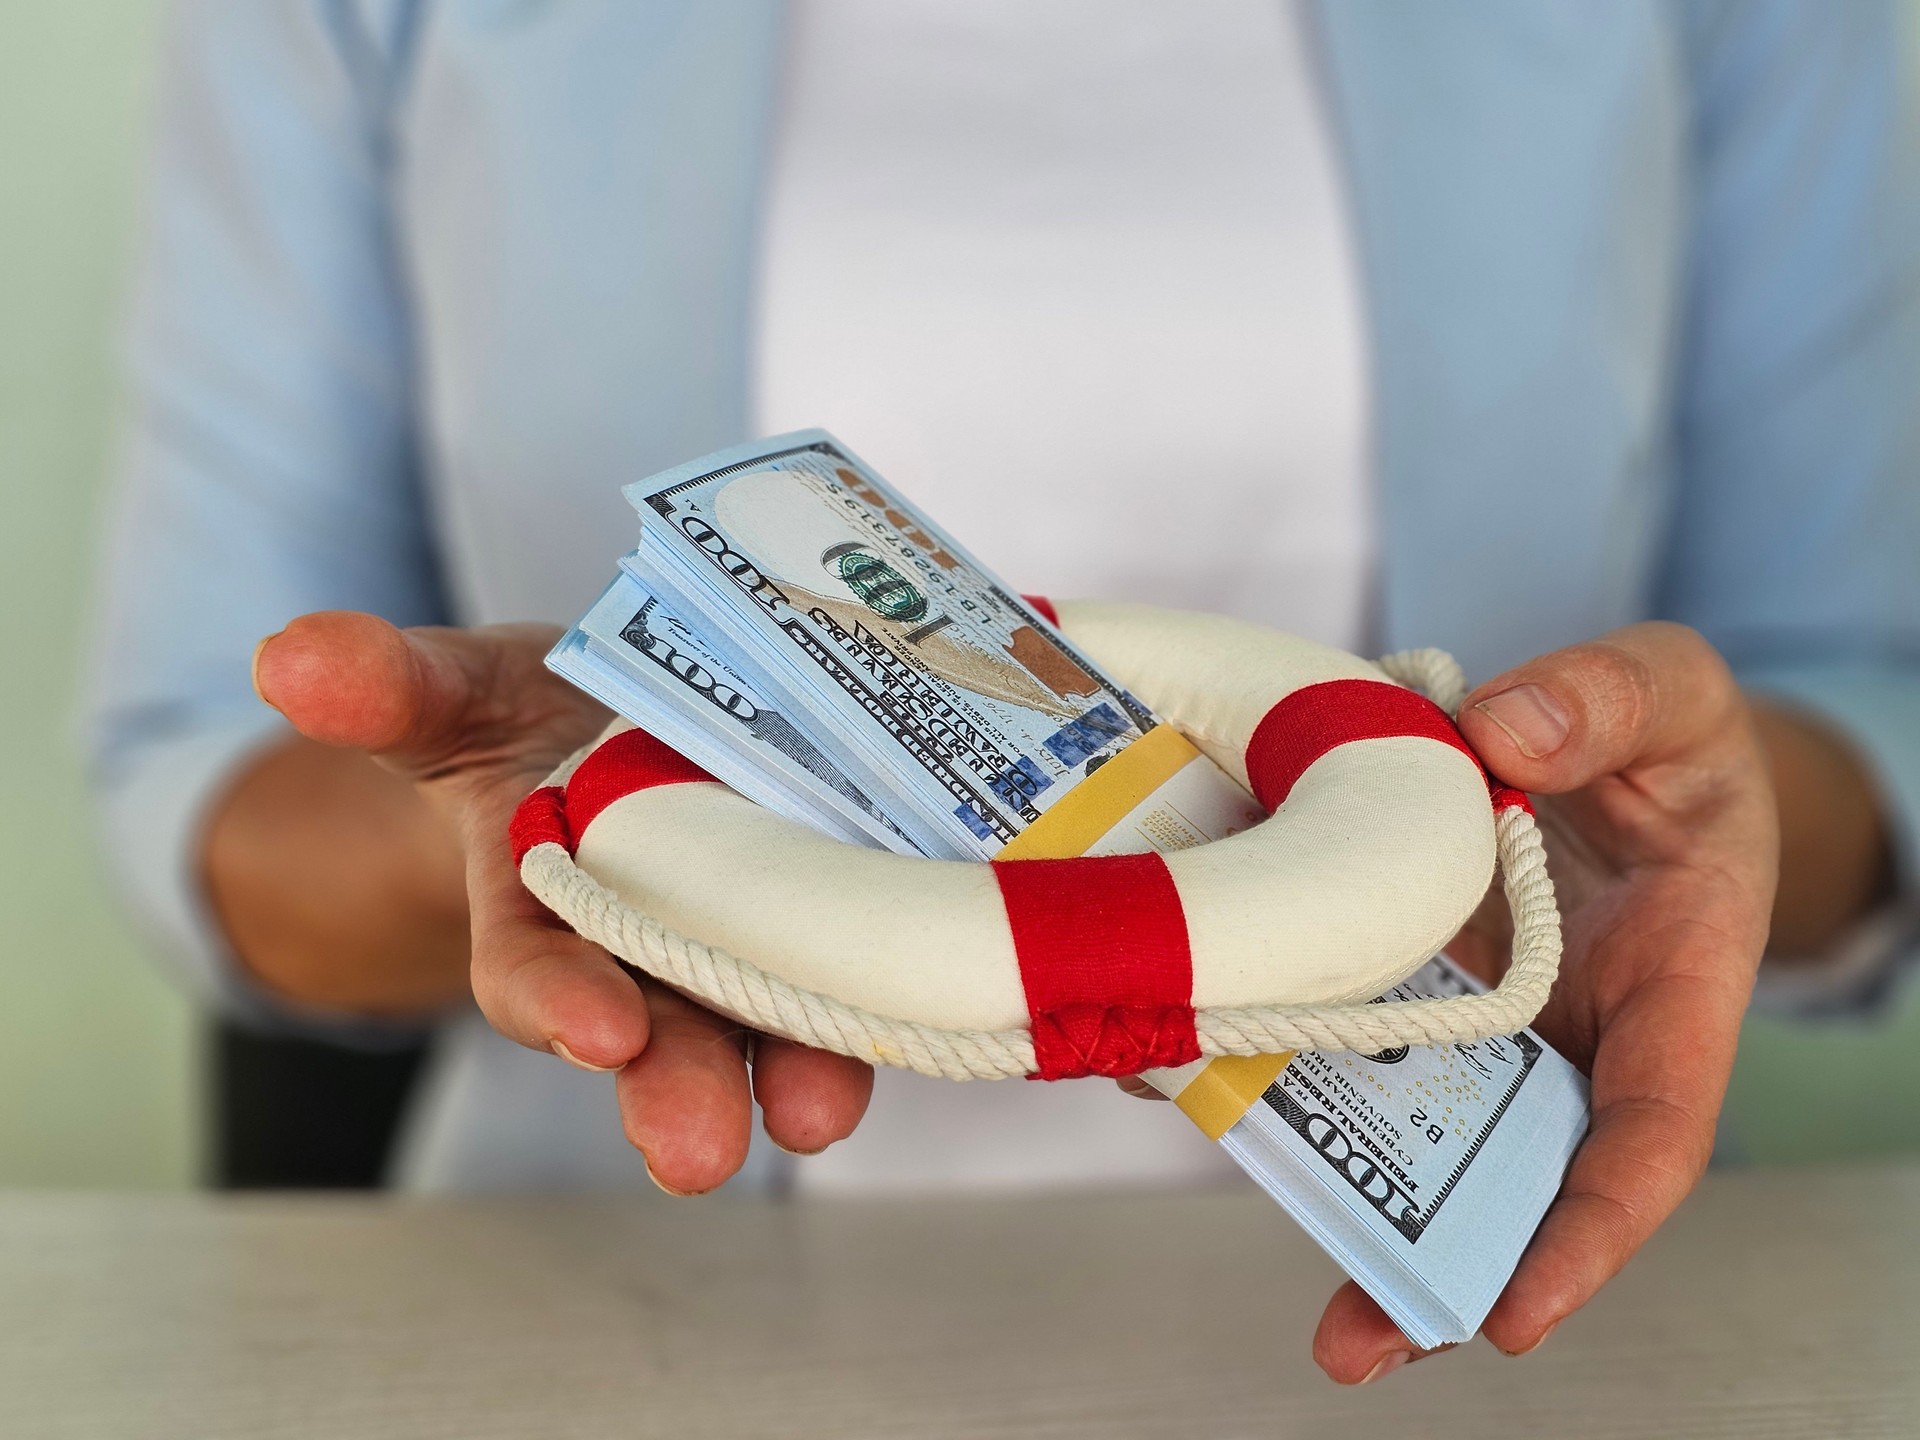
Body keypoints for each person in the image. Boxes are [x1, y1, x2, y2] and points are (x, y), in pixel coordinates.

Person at [85, 0, 1919, 1384]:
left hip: (1554, 1324)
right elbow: (196, 790)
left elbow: (1860, 708)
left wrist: (1679, 816)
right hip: (628, 1322)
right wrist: (573, 830)